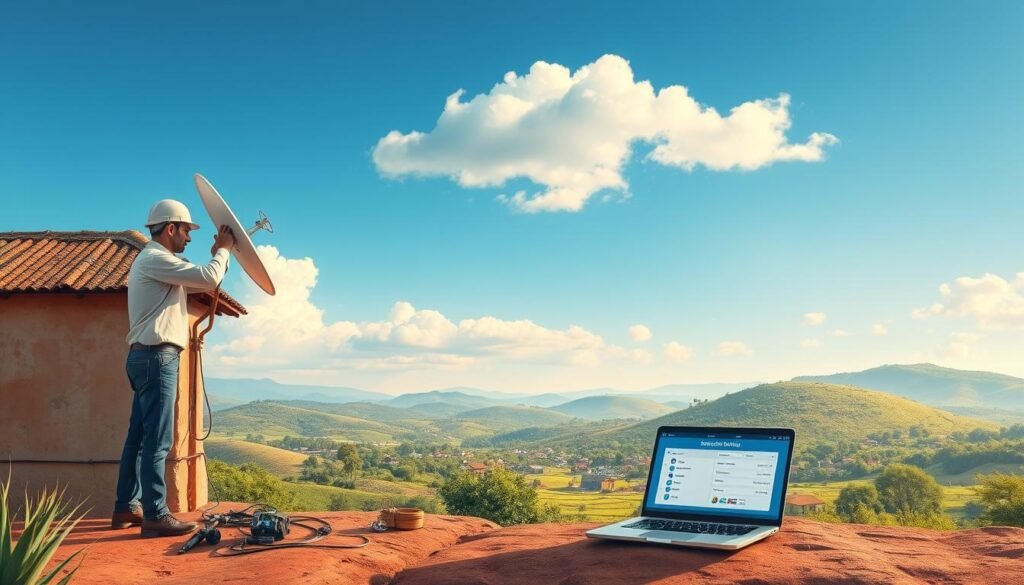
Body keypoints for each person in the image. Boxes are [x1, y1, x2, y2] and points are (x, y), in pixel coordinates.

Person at [112, 199, 235, 537]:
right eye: (186, 230)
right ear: (170, 228)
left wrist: (220, 255)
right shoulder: (155, 259)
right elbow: (209, 276)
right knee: (157, 439)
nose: (189, 238)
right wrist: (223, 250)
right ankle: (156, 514)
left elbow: (205, 280)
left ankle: (127, 506)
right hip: (157, 357)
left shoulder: (155, 263)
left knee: (137, 436)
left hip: (143, 357)